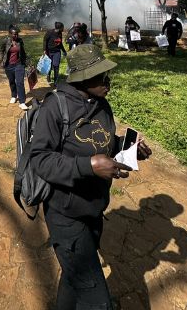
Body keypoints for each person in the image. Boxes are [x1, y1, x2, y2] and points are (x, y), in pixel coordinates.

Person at [30, 44, 152, 309]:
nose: (108, 81)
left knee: (75, 279)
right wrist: (88, 166)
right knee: (98, 301)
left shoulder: (101, 104)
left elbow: (103, 142)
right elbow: (39, 158)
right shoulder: (55, 107)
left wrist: (127, 147)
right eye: (102, 76)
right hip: (65, 215)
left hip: (94, 209)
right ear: (83, 78)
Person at [0, 25, 29, 110]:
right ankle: (14, 95)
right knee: (12, 81)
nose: (16, 36)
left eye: (17, 34)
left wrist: (26, 62)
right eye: (14, 34)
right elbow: (1, 51)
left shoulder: (20, 41)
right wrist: (1, 61)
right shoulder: (5, 41)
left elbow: (23, 52)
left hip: (19, 64)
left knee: (20, 82)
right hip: (8, 65)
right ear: (9, 34)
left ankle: (22, 102)